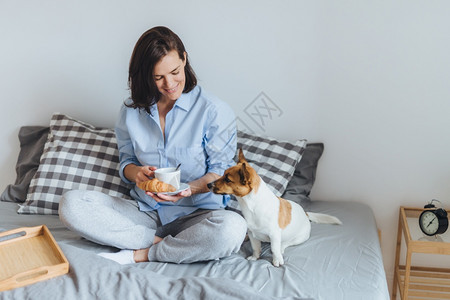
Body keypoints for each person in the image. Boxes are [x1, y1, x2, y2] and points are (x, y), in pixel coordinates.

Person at [59, 26, 247, 264]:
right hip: (145, 212)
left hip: (199, 215)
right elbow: (126, 161)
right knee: (72, 204)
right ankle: (160, 243)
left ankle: (143, 253)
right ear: (146, 76)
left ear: (184, 58)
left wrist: (188, 189)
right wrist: (137, 173)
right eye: (158, 77)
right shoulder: (131, 111)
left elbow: (220, 173)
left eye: (175, 71)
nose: (169, 84)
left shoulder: (214, 111)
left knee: (232, 229)